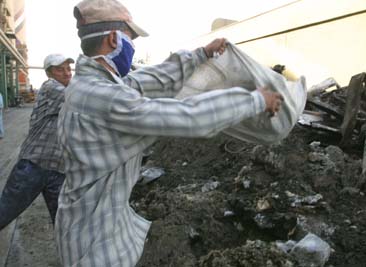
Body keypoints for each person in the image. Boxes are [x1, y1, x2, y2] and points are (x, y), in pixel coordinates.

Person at [55, 0, 284, 266]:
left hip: (100, 222)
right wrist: (254, 101)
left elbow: (150, 80)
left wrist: (200, 55)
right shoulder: (101, 96)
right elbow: (187, 117)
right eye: (130, 38)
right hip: (93, 245)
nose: (132, 45)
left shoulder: (97, 84)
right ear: (113, 38)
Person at [0, 54, 74, 230]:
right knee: (4, 212)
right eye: (59, 69)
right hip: (34, 166)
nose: (66, 73)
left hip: (59, 170)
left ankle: (70, 257)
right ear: (49, 73)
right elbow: (82, 98)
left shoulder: (69, 92)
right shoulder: (51, 88)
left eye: (68, 69)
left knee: (64, 224)